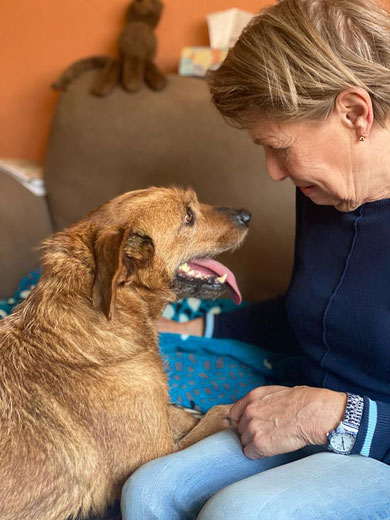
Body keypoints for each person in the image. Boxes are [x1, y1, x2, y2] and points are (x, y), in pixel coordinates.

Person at [121, 0, 390, 518]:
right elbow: (321, 312)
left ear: (355, 113)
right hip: (306, 413)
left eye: (279, 146)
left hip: (376, 444)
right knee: (148, 491)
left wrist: (339, 416)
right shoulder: (326, 193)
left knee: (241, 511)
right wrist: (195, 328)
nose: (272, 172)